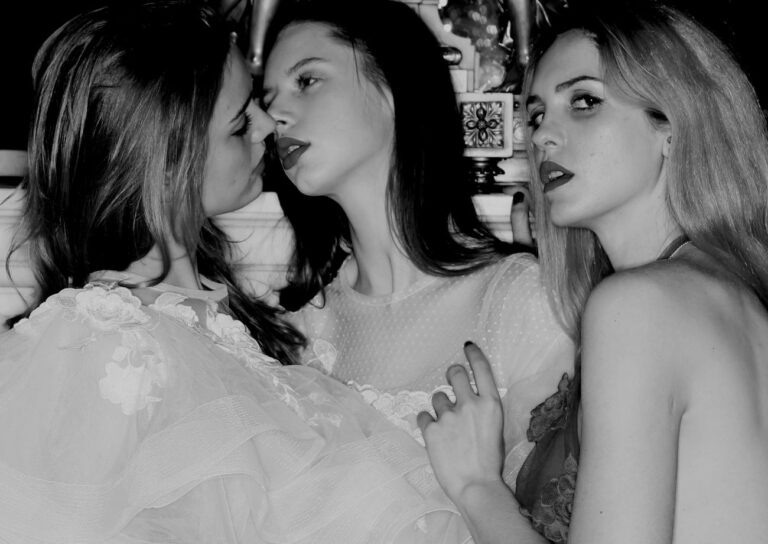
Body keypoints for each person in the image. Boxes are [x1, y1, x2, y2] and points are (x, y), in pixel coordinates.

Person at [0, 2, 473, 541]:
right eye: (239, 121)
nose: (268, 124)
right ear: (168, 158)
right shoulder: (110, 347)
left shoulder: (213, 329)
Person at [418, 1, 768, 542]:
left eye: (584, 101)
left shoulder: (641, 307)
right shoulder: (729, 294)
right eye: (536, 115)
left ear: (673, 125)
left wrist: (475, 486)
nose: (542, 137)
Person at [261, 0, 574, 492]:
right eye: (269, 98)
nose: (275, 115)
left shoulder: (521, 302)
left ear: (392, 86)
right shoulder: (299, 334)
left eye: (307, 80)